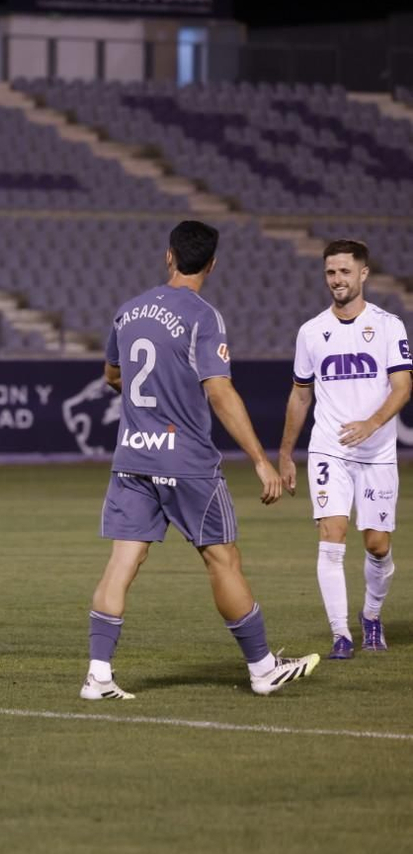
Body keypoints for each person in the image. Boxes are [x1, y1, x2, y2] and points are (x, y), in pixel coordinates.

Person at [82, 220, 319, 700]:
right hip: (186, 463)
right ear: (211, 264)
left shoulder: (128, 312)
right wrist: (259, 459)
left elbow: (112, 375)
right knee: (222, 559)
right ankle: (261, 668)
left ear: (169, 256)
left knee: (122, 564)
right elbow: (219, 390)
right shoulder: (203, 317)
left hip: (133, 458)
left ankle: (98, 676)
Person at [277, 239, 411, 658]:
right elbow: (301, 396)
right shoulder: (312, 331)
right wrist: (284, 454)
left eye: (345, 272)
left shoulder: (389, 326)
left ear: (363, 274)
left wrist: (371, 424)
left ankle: (371, 616)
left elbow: (403, 386)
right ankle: (341, 635)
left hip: (377, 453)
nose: (337, 280)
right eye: (331, 272)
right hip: (328, 450)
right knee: (331, 536)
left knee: (377, 545)